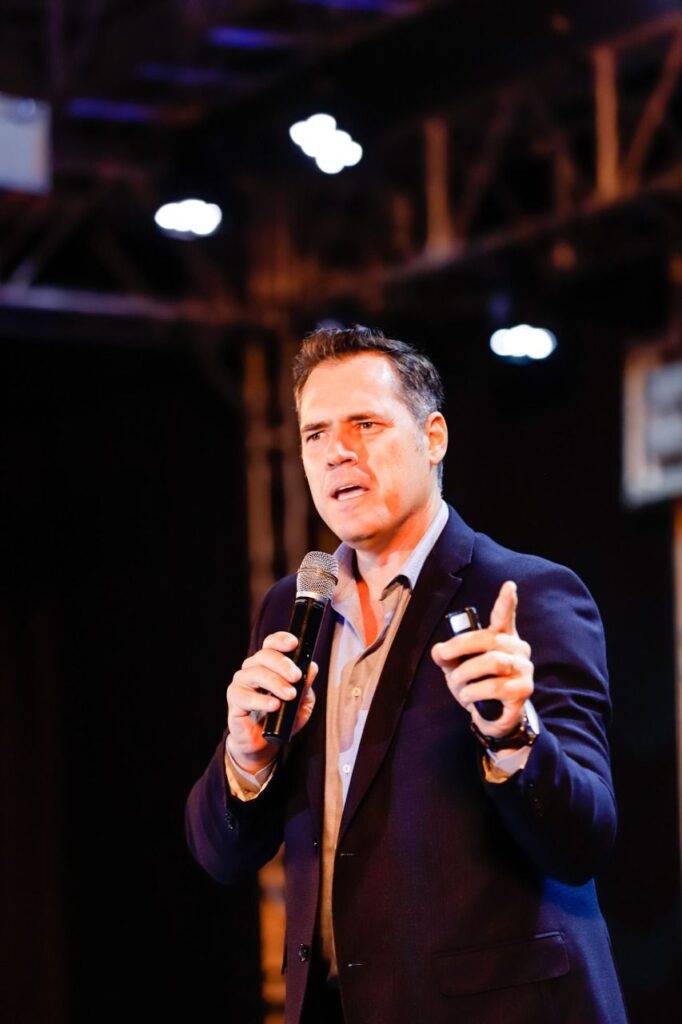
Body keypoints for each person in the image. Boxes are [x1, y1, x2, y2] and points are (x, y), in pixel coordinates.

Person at [185, 326, 627, 1024]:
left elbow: (585, 840)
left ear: (433, 437)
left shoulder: (528, 594)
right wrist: (246, 760)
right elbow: (220, 856)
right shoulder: (292, 608)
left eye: (365, 424)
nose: (337, 451)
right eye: (315, 433)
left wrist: (513, 735)